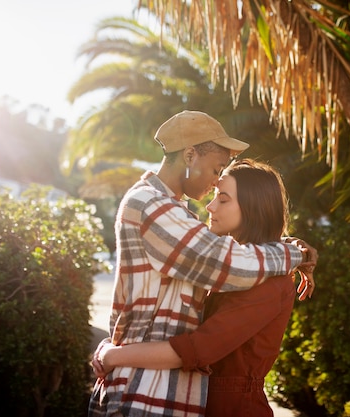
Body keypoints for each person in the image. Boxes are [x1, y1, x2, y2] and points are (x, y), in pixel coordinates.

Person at [88, 111, 317, 417]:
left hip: (167, 392)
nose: (213, 185)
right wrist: (295, 253)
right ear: (190, 155)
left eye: (223, 195)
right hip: (144, 390)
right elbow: (226, 263)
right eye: (215, 169)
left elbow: (225, 266)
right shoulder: (153, 206)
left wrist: (115, 353)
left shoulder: (176, 215)